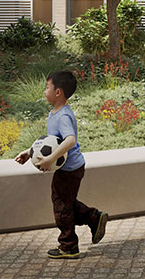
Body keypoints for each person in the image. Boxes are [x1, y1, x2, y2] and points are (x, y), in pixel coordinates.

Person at [15, 70, 108, 259]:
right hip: (69, 168)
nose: (44, 91)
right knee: (66, 203)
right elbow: (51, 141)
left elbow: (70, 140)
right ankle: (93, 218)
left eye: (47, 87)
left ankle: (68, 245)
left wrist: (50, 159)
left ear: (58, 92)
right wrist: (29, 152)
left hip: (70, 170)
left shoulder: (63, 116)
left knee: (61, 206)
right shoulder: (55, 113)